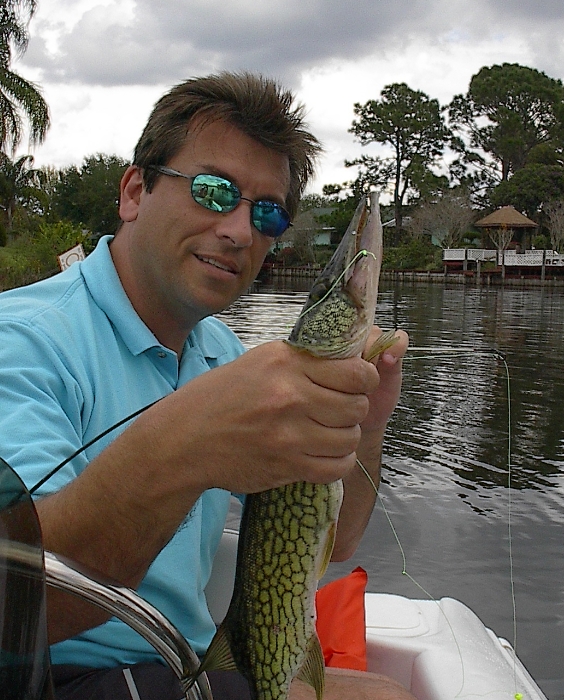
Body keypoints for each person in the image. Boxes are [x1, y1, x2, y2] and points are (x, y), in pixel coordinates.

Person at [0, 72, 411, 700]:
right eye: (216, 191)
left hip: (187, 661)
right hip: (57, 674)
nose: (241, 231)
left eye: (268, 212)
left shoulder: (222, 352)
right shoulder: (22, 342)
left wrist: (366, 422)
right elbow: (24, 606)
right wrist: (190, 439)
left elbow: (333, 541)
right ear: (135, 191)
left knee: (389, 694)